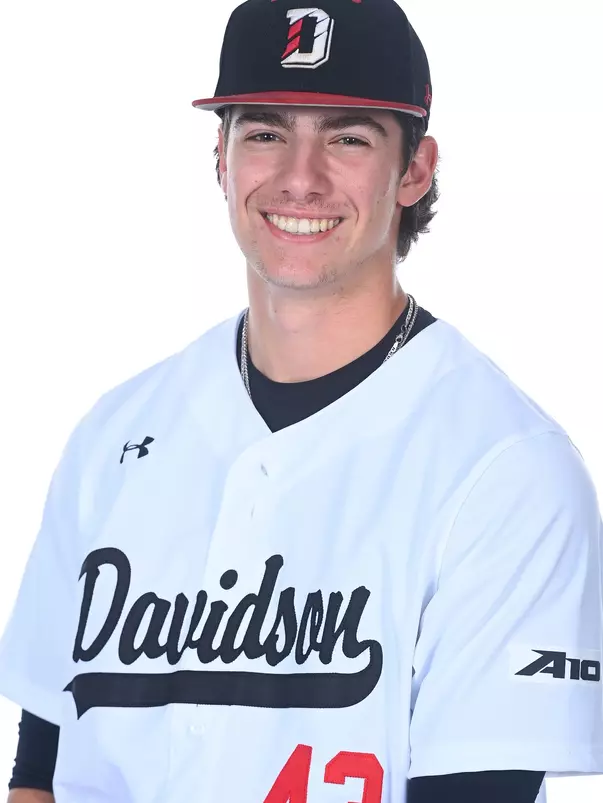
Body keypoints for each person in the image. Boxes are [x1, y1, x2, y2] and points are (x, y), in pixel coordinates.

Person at [1, 0, 602, 802]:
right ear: (220, 156)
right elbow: (40, 768)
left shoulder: (505, 470)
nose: (299, 175)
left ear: (415, 169)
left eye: (347, 136)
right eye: (265, 131)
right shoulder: (116, 432)